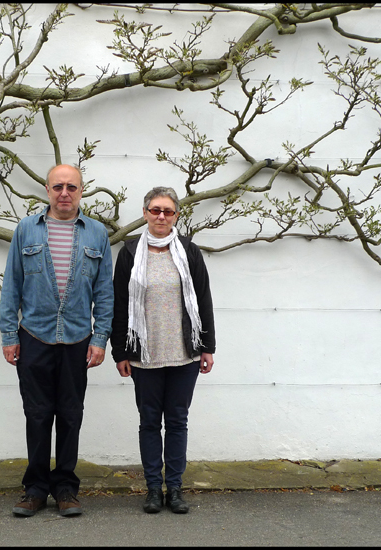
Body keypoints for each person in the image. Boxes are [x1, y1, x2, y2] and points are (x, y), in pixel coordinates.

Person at [0, 164, 114, 518]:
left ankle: (65, 488)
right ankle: (34, 489)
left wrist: (100, 338)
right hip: (34, 336)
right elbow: (12, 285)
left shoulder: (97, 234)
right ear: (47, 190)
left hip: (78, 339)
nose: (65, 193)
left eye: (72, 187)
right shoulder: (26, 230)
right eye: (58, 187)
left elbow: (104, 292)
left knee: (70, 415)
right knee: (36, 415)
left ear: (82, 191)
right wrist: (8, 334)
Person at [111, 186, 215, 514]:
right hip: (145, 354)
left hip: (184, 353)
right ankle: (154, 489)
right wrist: (120, 352)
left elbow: (203, 298)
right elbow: (119, 304)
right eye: (155, 210)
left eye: (167, 211)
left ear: (176, 216)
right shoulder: (129, 253)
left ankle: (176, 489)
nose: (160, 216)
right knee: (149, 421)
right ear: (145, 213)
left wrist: (208, 347)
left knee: (178, 421)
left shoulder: (188, 251)